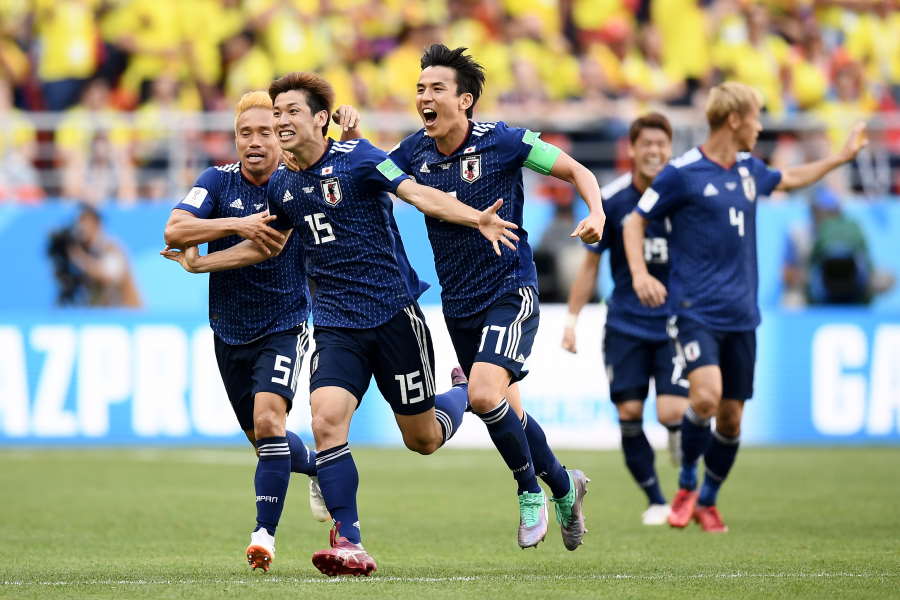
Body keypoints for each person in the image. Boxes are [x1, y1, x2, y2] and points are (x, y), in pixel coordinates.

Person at [170, 72, 518, 577]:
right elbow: (268, 243)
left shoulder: (360, 160)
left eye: (290, 112)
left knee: (422, 439)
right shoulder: (285, 184)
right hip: (335, 324)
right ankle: (350, 539)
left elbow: (418, 194)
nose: (281, 121)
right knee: (326, 420)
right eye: (277, 112)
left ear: (319, 119)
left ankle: (461, 393)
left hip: (393, 317)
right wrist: (202, 264)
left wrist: (474, 217)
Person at [623, 81, 868, 532]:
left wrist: (841, 158)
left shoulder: (749, 170)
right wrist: (640, 275)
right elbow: (635, 221)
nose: (760, 126)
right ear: (734, 119)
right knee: (706, 396)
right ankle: (686, 482)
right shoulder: (683, 173)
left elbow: (790, 178)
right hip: (694, 309)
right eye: (755, 116)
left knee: (732, 421)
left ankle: (709, 500)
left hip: (742, 315)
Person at [388, 44, 605, 550]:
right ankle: (564, 484)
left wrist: (595, 213)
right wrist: (350, 139)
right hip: (459, 304)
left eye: (436, 88)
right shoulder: (412, 153)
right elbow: (368, 175)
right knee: (507, 411)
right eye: (420, 88)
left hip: (510, 289)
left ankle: (529, 492)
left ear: (464, 101)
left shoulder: (504, 141)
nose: (425, 96)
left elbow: (579, 171)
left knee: (483, 394)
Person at [161, 90, 363, 572]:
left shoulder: (294, 185)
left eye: (265, 132)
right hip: (229, 330)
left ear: (281, 135)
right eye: (244, 133)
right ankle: (318, 464)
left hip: (285, 323)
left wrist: (200, 262)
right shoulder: (216, 180)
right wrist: (234, 223)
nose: (254, 142)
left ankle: (263, 537)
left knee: (271, 423)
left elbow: (267, 245)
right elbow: (174, 230)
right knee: (263, 439)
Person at [562, 113, 689, 526]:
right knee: (630, 413)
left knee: (671, 412)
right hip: (626, 325)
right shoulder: (614, 202)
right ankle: (656, 499)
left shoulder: (684, 197)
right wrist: (571, 319)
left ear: (669, 150)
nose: (654, 151)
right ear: (632, 150)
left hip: (674, 324)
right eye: (646, 144)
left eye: (661, 144)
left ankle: (677, 435)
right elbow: (589, 268)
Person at [49, 204, 142, 307]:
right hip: (100, 312)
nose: (80, 228)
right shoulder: (85, 250)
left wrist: (77, 256)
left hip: (124, 313)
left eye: (85, 222)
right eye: (79, 222)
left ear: (97, 224)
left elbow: (108, 275)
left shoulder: (111, 247)